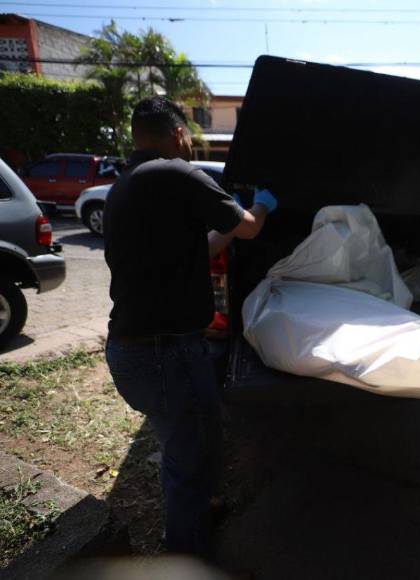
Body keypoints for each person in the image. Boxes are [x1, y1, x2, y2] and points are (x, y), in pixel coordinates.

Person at [103, 96, 277, 558]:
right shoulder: (177, 173)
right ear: (179, 133)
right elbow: (249, 231)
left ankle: (200, 509)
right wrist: (260, 205)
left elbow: (195, 250)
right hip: (168, 354)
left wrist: (231, 215)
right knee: (195, 454)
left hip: (130, 350)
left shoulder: (127, 185)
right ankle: (187, 556)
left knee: (180, 447)